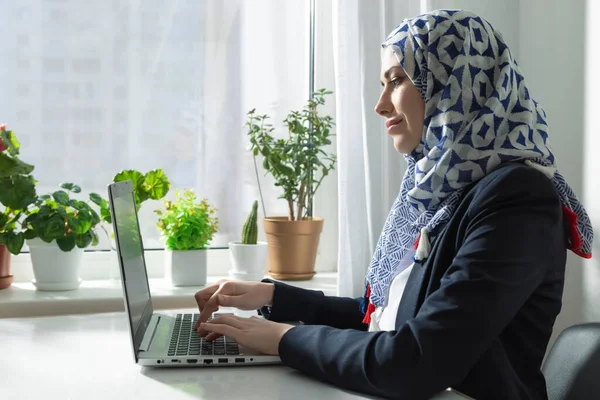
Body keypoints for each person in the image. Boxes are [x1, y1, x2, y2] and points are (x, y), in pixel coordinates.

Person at [193, 9, 593, 400]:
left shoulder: (517, 200)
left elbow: (414, 360)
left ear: (455, 82)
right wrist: (273, 298)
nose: (381, 105)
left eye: (397, 80)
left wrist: (284, 338)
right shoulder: (445, 191)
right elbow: (388, 318)